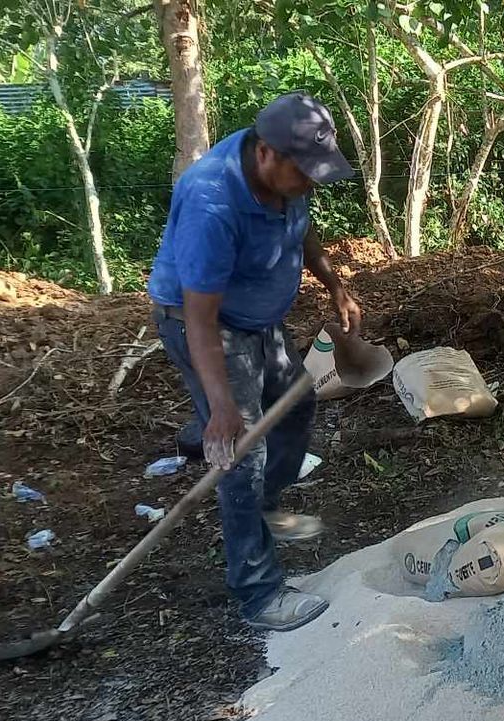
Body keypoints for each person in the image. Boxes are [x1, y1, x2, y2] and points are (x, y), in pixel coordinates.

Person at [147, 92, 364, 631]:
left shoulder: (289, 179)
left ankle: (265, 505)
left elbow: (301, 227)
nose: (311, 185)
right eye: (305, 174)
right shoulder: (212, 201)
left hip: (259, 319)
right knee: (242, 449)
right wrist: (221, 407)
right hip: (207, 327)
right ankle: (258, 593)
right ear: (265, 154)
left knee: (295, 407)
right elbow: (199, 318)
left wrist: (333, 283)